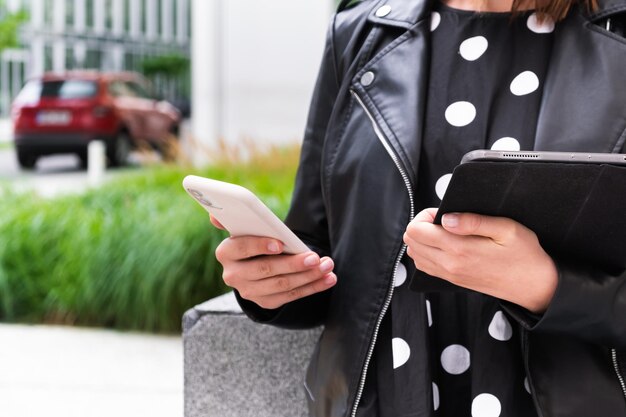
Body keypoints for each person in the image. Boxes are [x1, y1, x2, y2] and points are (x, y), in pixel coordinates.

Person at [212, 0, 626, 416]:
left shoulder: (616, 29)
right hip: (388, 400)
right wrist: (269, 282)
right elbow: (330, 264)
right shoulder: (361, 32)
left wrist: (547, 287)